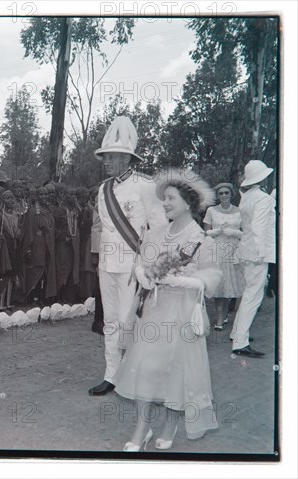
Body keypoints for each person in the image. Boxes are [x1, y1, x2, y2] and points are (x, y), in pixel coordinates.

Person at [114, 169, 221, 451]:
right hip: (154, 308)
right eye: (164, 199)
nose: (165, 203)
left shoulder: (202, 240)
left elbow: (212, 279)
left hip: (182, 311)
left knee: (176, 371)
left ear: (187, 202)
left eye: (170, 198)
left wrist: (181, 279)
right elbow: (142, 261)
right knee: (145, 367)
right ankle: (142, 427)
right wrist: (142, 274)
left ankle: (171, 425)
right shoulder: (156, 233)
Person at [89, 116, 167, 397]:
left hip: (133, 265)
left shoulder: (146, 186)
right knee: (109, 322)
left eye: (111, 157)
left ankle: (137, 376)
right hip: (108, 265)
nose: (106, 162)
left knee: (128, 322)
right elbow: (102, 228)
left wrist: (145, 263)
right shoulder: (103, 189)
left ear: (126, 159)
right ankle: (112, 375)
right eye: (105, 157)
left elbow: (158, 227)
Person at [230, 160, 275, 358]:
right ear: (262, 177)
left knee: (248, 294)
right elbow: (258, 227)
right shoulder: (263, 199)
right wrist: (261, 253)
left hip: (244, 250)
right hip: (256, 252)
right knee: (253, 296)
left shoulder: (247, 197)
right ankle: (240, 342)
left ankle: (237, 333)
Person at [203, 182, 245, 330]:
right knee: (218, 285)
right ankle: (220, 316)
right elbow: (205, 232)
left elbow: (246, 233)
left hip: (233, 250)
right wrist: (216, 231)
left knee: (229, 285)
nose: (224, 195)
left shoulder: (239, 211)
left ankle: (223, 315)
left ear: (231, 194)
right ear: (217, 196)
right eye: (221, 193)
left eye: (226, 192)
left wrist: (234, 232)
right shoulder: (211, 211)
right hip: (217, 250)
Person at [20, 186, 57, 306]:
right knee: (36, 270)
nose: (44, 197)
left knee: (46, 271)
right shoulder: (32, 211)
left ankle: (43, 297)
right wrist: (30, 247)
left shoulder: (48, 209)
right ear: (37, 196)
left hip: (48, 244)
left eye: (46, 194)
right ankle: (33, 298)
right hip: (37, 245)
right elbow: (30, 230)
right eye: (41, 194)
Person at [53, 186, 81, 303]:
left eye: (75, 195)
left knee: (73, 267)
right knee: (62, 267)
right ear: (65, 196)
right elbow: (55, 228)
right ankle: (59, 296)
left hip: (74, 242)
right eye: (71, 195)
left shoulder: (77, 209)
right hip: (63, 243)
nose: (73, 197)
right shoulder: (60, 210)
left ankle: (69, 296)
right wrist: (63, 237)